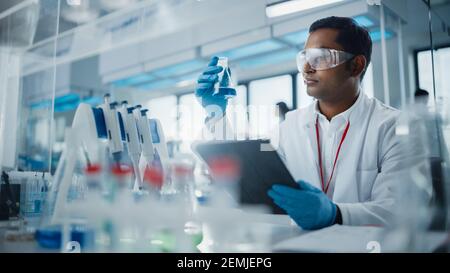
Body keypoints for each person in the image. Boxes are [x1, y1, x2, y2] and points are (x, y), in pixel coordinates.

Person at [195, 16, 428, 230]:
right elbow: (244, 170)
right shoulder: (290, 126)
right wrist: (216, 113)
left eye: (321, 57)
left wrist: (335, 214)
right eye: (305, 57)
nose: (307, 68)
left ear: (356, 65)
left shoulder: (395, 127)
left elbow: (404, 211)